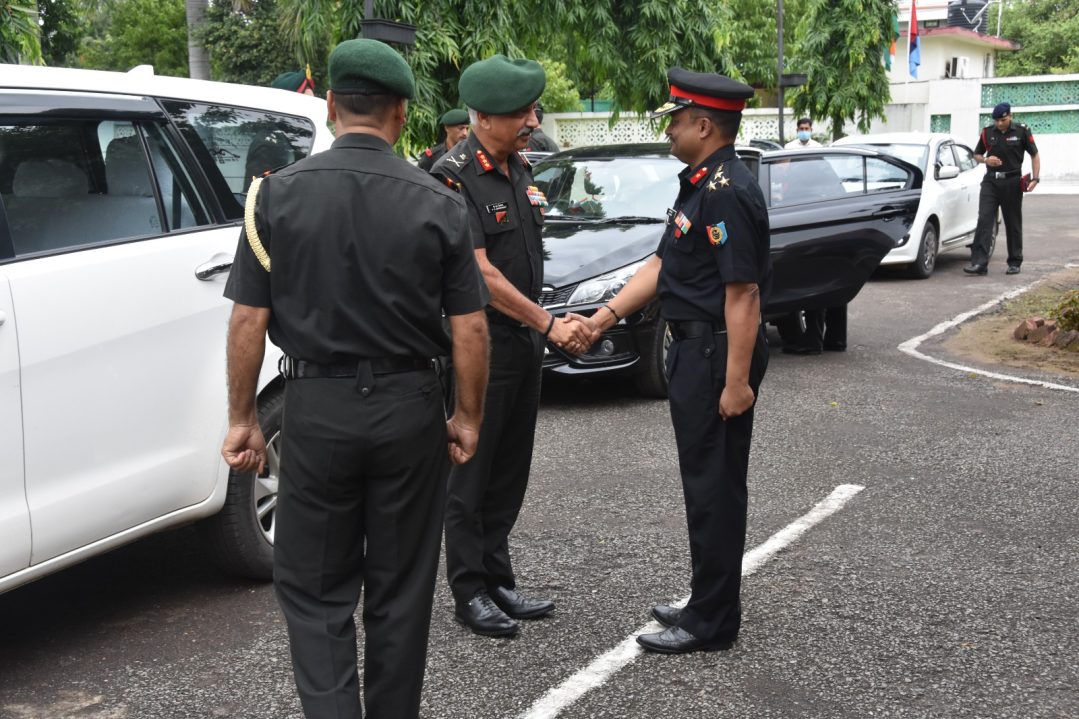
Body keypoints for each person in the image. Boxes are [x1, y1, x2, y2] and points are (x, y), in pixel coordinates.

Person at [221, 39, 489, 719]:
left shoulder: (274, 198)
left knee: (314, 590)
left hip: (316, 408)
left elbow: (248, 320)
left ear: (332, 104)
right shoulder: (439, 201)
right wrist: (466, 417)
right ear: (402, 113)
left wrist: (242, 419)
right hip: (408, 409)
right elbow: (471, 329)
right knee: (399, 590)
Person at [579, 67, 771, 654]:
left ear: (704, 125)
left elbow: (744, 294)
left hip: (716, 351)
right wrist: (602, 318)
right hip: (693, 349)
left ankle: (712, 623)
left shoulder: (727, 192)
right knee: (702, 483)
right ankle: (706, 599)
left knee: (715, 488)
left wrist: (736, 381)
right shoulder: (698, 185)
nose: (669, 131)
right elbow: (664, 268)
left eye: (677, 121)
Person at [432, 55, 590, 638]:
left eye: (531, 109)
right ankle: (468, 590)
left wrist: (540, 330)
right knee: (470, 471)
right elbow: (482, 278)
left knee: (510, 469)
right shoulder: (452, 178)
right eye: (521, 112)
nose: (532, 119)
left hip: (523, 345)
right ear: (486, 116)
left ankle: (497, 578)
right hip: (481, 347)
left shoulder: (517, 167)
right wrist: (550, 325)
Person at [780, 118, 844, 354]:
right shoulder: (823, 172)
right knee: (833, 285)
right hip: (830, 227)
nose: (804, 133)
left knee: (815, 284)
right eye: (802, 129)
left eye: (807, 129)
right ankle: (835, 340)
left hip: (813, 231)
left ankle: (814, 340)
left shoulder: (806, 171)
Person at [965, 101, 1040, 276]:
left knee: (1012, 222)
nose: (999, 123)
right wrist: (986, 160)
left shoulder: (1021, 131)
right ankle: (979, 263)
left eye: (1003, 120)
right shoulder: (987, 132)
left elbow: (1034, 154)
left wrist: (1035, 178)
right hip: (991, 182)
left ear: (1010, 116)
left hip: (1012, 182)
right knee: (984, 219)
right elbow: (976, 154)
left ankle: (1014, 261)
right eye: (996, 120)